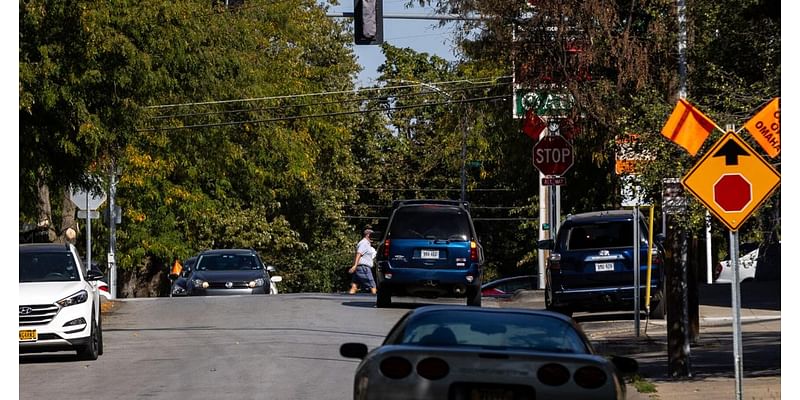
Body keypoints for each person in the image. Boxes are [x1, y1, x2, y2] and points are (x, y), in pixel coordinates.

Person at [348, 227, 377, 294]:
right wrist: (354, 266)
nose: (374, 237)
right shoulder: (364, 243)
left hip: (360, 267)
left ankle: (350, 296)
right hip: (363, 268)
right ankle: (375, 300)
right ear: (368, 235)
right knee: (372, 285)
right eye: (373, 235)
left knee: (354, 285)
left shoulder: (366, 244)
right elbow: (359, 254)